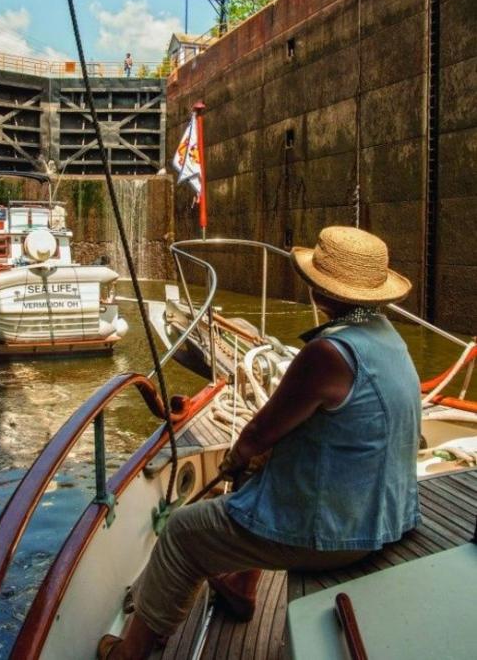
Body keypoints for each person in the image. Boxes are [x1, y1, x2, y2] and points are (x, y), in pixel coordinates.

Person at [97, 226, 422, 659]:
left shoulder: (328, 354)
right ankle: (241, 582)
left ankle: (130, 653)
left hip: (342, 534)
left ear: (318, 289)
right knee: (268, 470)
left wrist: (236, 458)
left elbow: (257, 434)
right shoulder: (388, 338)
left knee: (181, 533)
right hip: (387, 515)